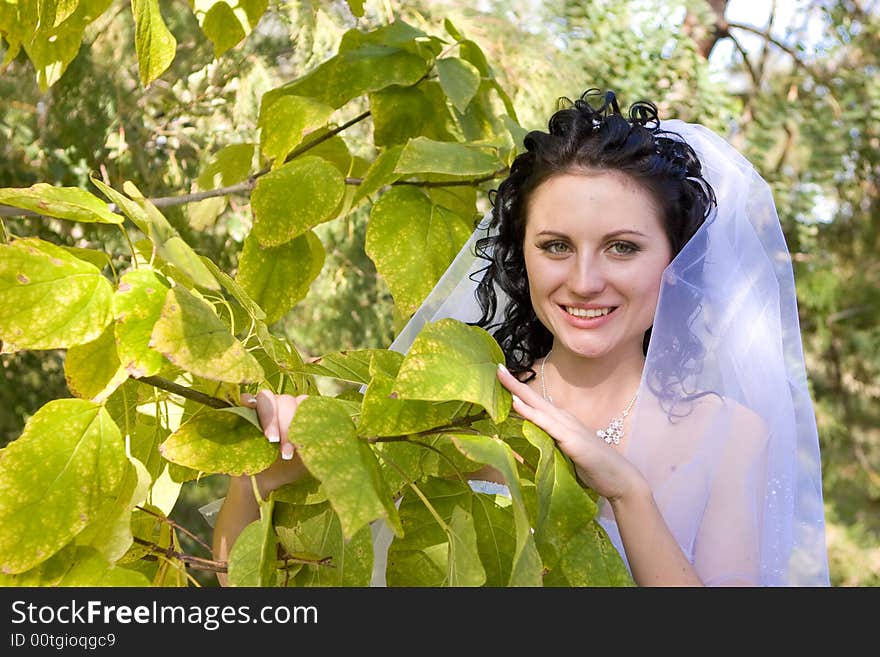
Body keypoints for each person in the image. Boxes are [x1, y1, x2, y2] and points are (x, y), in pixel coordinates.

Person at [212, 89, 830, 586]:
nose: (585, 281)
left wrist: (629, 492)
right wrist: (266, 464)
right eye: (556, 246)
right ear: (521, 257)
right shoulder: (452, 407)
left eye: (622, 247)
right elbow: (232, 576)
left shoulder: (732, 436)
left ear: (676, 261)